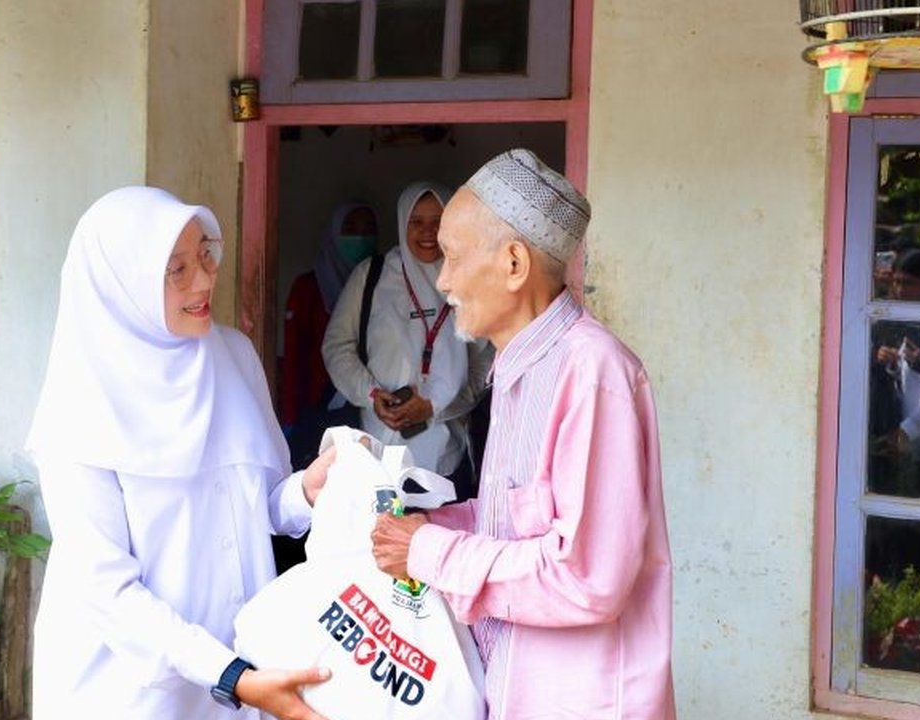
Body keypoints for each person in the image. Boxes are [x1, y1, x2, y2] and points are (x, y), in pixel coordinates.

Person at [370, 150, 676, 718]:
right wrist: (432, 525)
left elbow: (587, 575)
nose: (443, 280)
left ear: (513, 264)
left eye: (453, 256)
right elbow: (517, 522)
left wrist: (431, 552)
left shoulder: (591, 372)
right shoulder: (516, 370)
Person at [25, 186, 333, 720]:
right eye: (177, 269)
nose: (206, 279)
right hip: (126, 693)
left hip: (242, 671)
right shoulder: (79, 405)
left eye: (205, 255)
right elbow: (107, 591)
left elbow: (255, 508)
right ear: (123, 284)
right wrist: (229, 676)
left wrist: (308, 489)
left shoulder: (234, 356)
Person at [321, 181, 490, 495]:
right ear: (402, 223)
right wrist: (371, 394)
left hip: (446, 459)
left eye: (437, 222)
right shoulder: (372, 276)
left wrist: (437, 406)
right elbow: (337, 346)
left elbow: (485, 360)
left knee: (441, 527)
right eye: (416, 222)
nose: (427, 232)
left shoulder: (469, 279)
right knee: (385, 526)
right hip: (378, 458)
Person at [279, 202, 379, 469]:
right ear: (334, 234)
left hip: (373, 410)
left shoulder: (385, 285)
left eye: (368, 229)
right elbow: (293, 358)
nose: (360, 238)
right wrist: (290, 418)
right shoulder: (309, 287)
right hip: (319, 406)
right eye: (351, 229)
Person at [871, 247, 920, 496]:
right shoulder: (902, 320)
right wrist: (888, 361)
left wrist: (907, 431)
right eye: (896, 282)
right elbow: (906, 381)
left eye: (908, 283)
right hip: (898, 444)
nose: (900, 290)